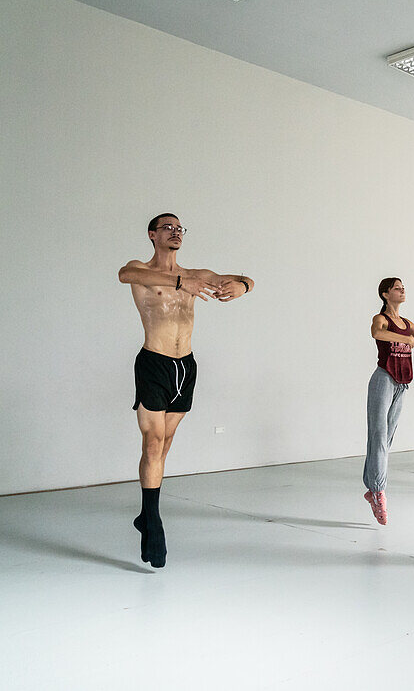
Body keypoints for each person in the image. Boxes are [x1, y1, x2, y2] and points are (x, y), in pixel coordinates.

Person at [118, 213, 254, 568]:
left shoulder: (198, 274)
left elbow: (242, 278)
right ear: (152, 234)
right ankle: (153, 520)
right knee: (151, 441)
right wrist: (180, 283)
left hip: (185, 366)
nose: (176, 232)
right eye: (168, 227)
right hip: (154, 362)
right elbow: (127, 275)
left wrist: (242, 286)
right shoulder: (142, 269)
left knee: (165, 443)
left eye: (180, 229)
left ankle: (145, 516)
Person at [363, 277, 414, 525]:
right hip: (383, 379)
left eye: (403, 287)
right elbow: (376, 333)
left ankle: (372, 487)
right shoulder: (381, 319)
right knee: (378, 434)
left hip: (402, 383)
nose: (402, 290)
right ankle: (378, 491)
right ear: (385, 294)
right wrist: (409, 341)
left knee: (386, 438)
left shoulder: (407, 323)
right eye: (397, 287)